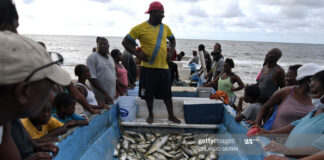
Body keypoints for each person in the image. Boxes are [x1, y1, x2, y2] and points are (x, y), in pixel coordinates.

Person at [0, 31, 71, 159]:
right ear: (22, 92)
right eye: (45, 94)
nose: (50, 99)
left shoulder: (5, 116)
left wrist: (35, 145)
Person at [122, 1, 180, 124]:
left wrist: (171, 52)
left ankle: (171, 115)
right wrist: (137, 54)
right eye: (161, 13)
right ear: (152, 13)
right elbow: (125, 42)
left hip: (164, 68)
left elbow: (173, 40)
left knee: (167, 94)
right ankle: (150, 115)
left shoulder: (166, 28)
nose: (163, 15)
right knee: (148, 94)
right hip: (148, 68)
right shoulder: (139, 28)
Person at [254, 70, 324, 159]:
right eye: (310, 92)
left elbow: (317, 150)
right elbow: (295, 125)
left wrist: (286, 150)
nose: (312, 97)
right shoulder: (316, 110)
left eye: (315, 93)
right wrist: (269, 133)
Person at [253, 64, 321, 129]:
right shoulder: (285, 92)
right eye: (319, 81)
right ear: (308, 80)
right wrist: (257, 123)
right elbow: (265, 107)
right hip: (271, 136)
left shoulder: (318, 99)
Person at [86, 37, 115, 104]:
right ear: (97, 45)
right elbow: (91, 77)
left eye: (104, 44)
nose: (102, 45)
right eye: (100, 44)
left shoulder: (110, 58)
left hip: (111, 95)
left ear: (108, 46)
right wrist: (105, 93)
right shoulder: (92, 57)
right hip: (99, 97)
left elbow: (114, 75)